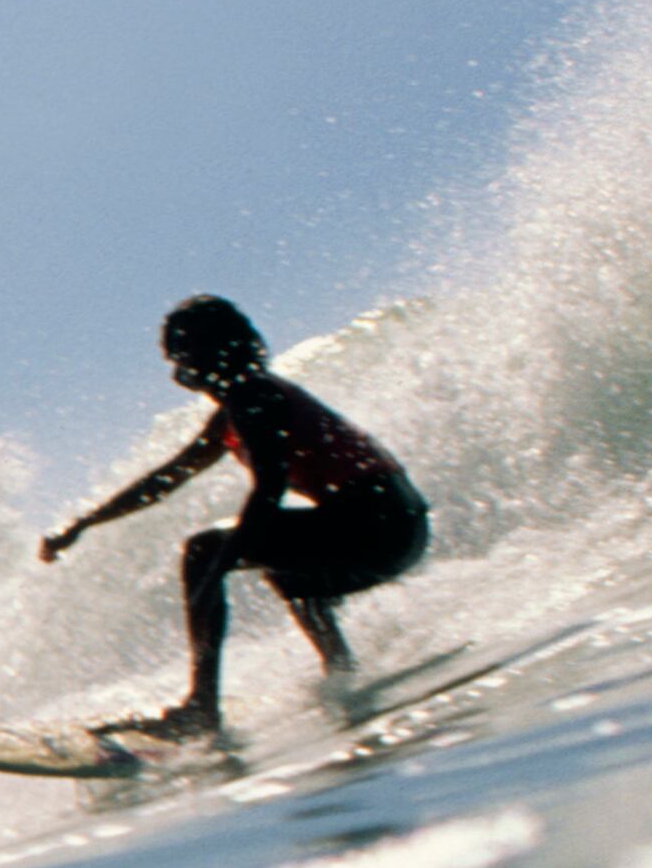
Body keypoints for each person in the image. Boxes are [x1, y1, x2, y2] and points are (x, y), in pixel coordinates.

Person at [37, 295, 426, 741]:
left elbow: (270, 486)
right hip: (397, 529)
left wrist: (225, 559)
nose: (178, 370)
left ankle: (201, 709)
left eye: (183, 355)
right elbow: (165, 480)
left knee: (205, 550)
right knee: (288, 574)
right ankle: (341, 671)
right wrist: (84, 523)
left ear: (212, 353)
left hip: (380, 524)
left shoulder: (254, 396)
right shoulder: (237, 408)